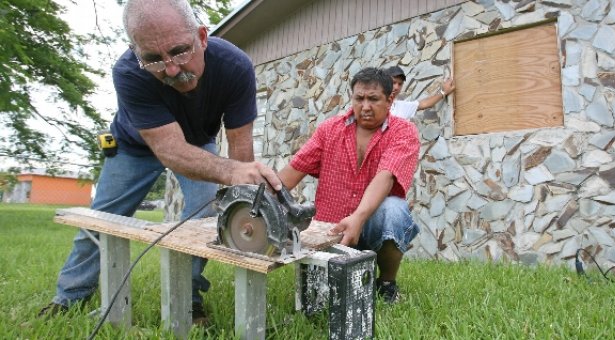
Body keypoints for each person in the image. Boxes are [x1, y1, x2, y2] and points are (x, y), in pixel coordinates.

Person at [38, 0, 281, 325]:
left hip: (197, 141)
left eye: (181, 51)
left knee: (205, 212)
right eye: (153, 58)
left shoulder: (234, 66)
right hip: (135, 146)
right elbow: (170, 150)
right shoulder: (128, 72)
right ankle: (68, 299)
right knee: (100, 219)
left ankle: (189, 298)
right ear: (135, 51)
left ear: (202, 37)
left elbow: (240, 148)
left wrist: (251, 204)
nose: (171, 69)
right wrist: (232, 169)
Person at [278, 67, 420, 303]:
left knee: (394, 210)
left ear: (390, 99)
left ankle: (386, 284)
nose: (365, 106)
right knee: (317, 300)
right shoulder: (329, 129)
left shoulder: (404, 132)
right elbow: (294, 170)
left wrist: (358, 218)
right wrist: (260, 202)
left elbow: (385, 176)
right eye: (359, 98)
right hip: (331, 228)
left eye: (373, 99)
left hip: (372, 226)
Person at [384, 65, 455, 120]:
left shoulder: (401, 107)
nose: (396, 87)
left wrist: (443, 92)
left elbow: (424, 104)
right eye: (393, 82)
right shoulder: (375, 106)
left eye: (400, 84)